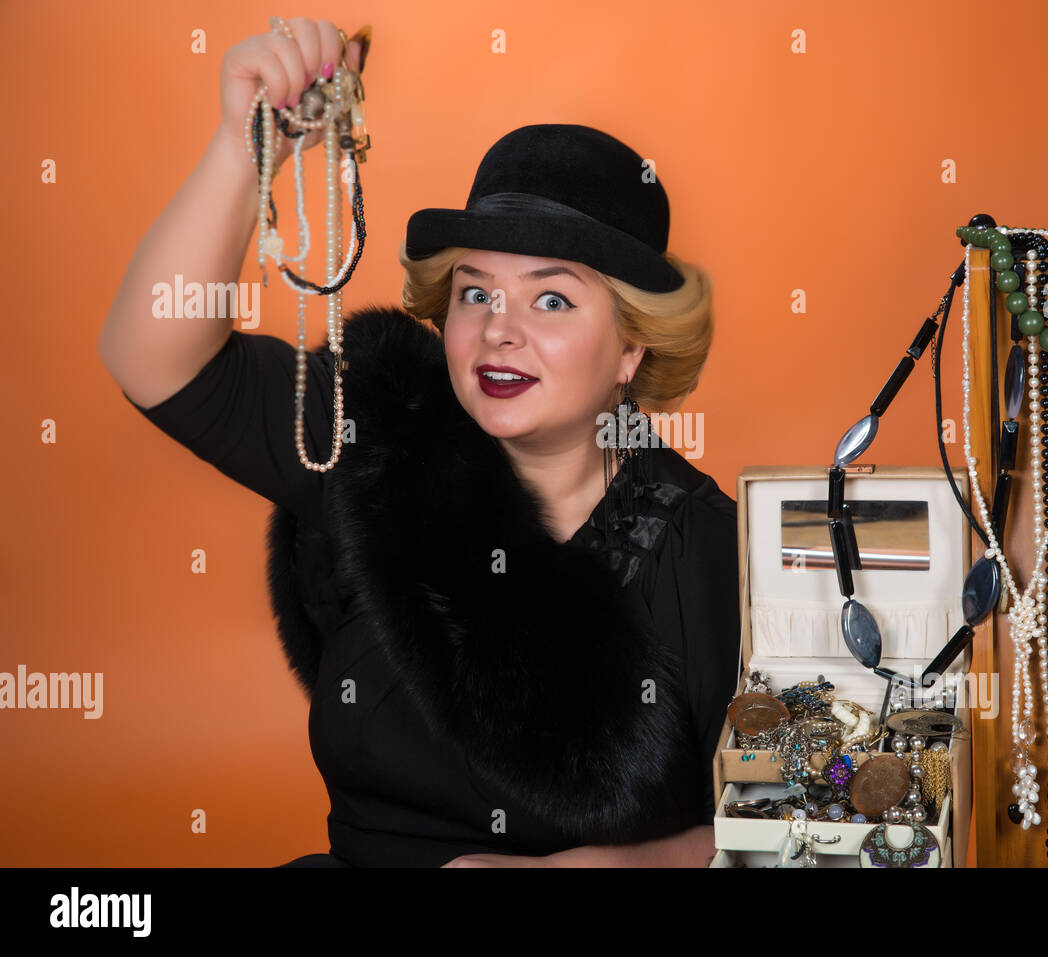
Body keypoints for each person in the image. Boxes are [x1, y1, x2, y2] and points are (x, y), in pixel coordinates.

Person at [97, 17, 740, 867]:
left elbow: (772, 827)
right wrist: (242, 151)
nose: (499, 331)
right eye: (475, 294)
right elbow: (151, 356)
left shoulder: (707, 548)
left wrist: (590, 869)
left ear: (631, 346)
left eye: (551, 301)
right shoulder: (382, 430)